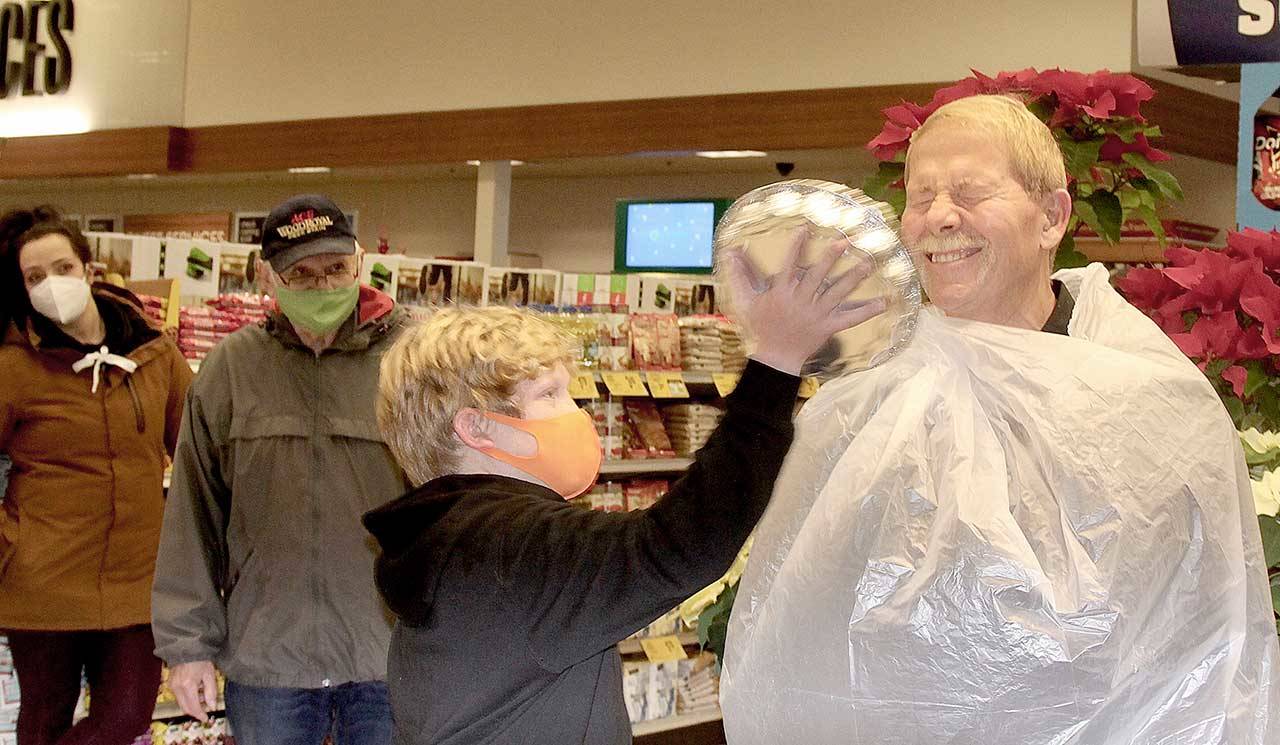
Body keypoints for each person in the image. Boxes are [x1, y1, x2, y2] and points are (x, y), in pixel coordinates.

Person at [720, 94, 1280, 744]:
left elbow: (1199, 638)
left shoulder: (1153, 404)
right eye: (921, 196)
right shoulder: (866, 398)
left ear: (1051, 216)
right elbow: (807, 605)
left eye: (970, 191)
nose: (940, 217)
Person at [362, 236, 885, 745]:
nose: (579, 413)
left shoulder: (447, 540)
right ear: (477, 429)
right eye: (550, 395)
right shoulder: (502, 547)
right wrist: (774, 365)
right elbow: (680, 545)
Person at [151, 194, 408, 745]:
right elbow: (193, 516)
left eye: (335, 269)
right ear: (270, 279)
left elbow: (456, 502)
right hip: (270, 664)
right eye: (302, 273)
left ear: (359, 263)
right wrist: (187, 648)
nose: (322, 287)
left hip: (388, 657)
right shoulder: (230, 369)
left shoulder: (409, 362)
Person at [0, 205, 193, 745]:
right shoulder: (14, 366)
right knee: (43, 720)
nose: (50, 285)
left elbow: (197, 454)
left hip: (137, 583)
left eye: (61, 269)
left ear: (89, 270)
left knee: (128, 717)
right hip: (43, 581)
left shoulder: (156, 355)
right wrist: (8, 541)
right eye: (34, 277)